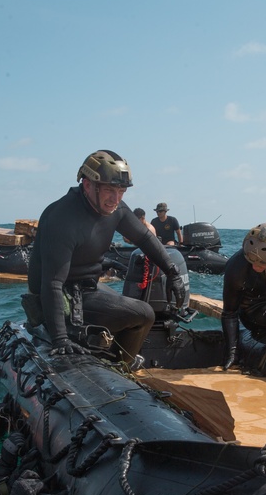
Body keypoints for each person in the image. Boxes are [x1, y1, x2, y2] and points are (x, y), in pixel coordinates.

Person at [27, 150, 186, 365]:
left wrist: (173, 273)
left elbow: (145, 239)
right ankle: (122, 367)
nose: (116, 199)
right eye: (110, 190)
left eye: (121, 191)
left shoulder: (115, 208)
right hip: (60, 297)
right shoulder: (62, 218)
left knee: (130, 302)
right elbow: (52, 284)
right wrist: (60, 339)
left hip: (87, 288)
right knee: (145, 314)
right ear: (88, 185)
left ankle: (112, 354)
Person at [221, 223, 266, 370]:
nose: (256, 267)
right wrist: (232, 353)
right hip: (254, 311)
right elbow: (229, 313)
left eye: (261, 265)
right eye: (252, 262)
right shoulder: (236, 268)